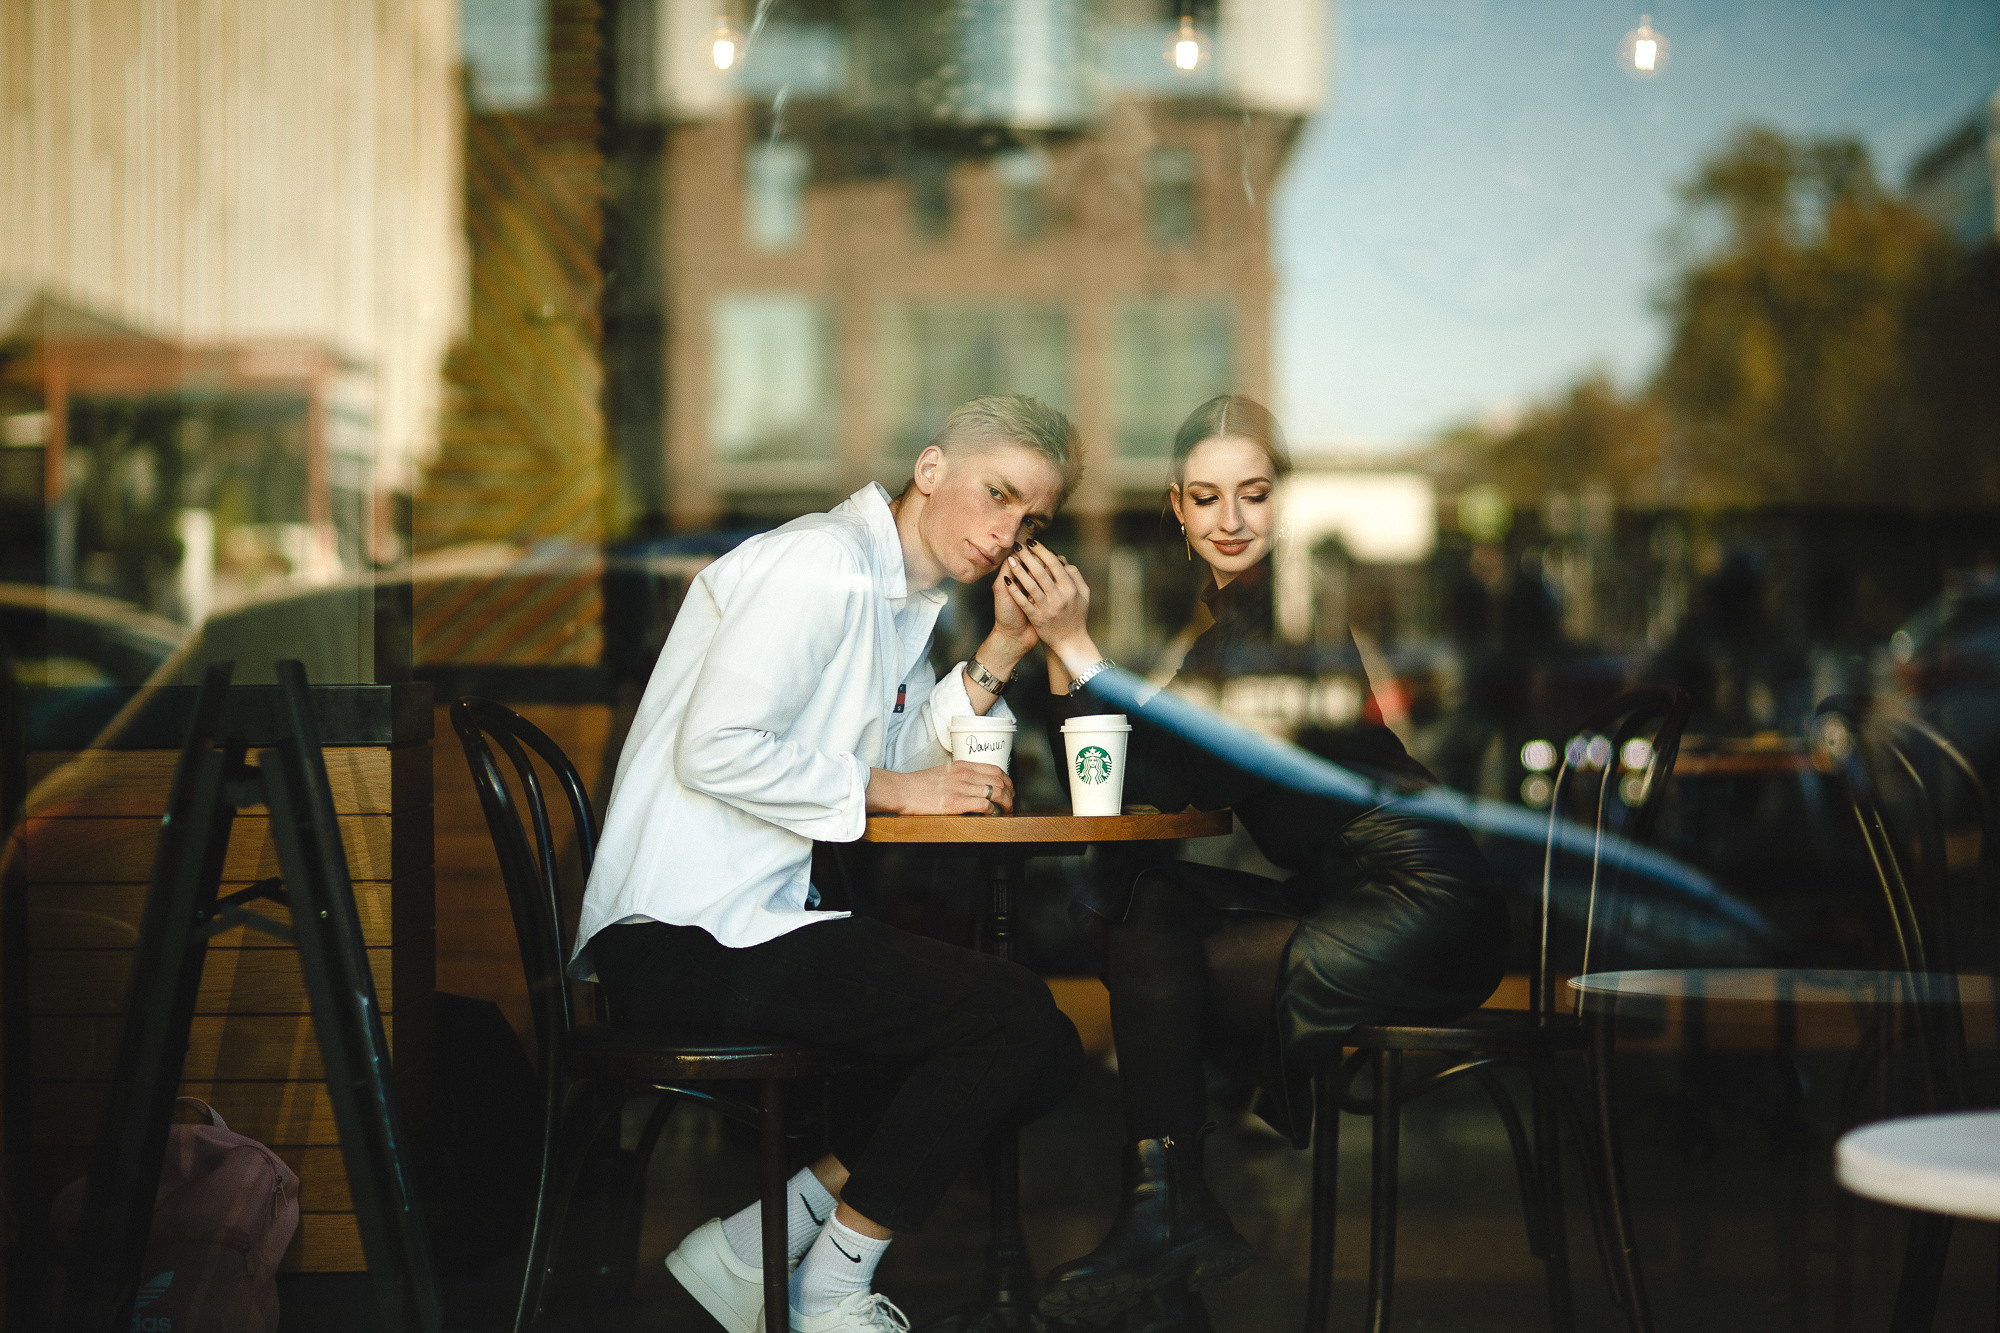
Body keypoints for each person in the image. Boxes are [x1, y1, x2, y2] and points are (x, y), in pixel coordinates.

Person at [573, 395, 1088, 1333]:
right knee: (1006, 1016)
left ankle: (750, 1247)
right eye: (998, 494)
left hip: (757, 924)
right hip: (684, 934)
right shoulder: (821, 562)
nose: (1010, 533)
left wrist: (1006, 647)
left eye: (1034, 520)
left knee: (1044, 1048)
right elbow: (718, 747)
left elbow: (902, 757)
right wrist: (901, 792)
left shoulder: (891, 602)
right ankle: (830, 1288)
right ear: (930, 469)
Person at [1000, 394, 1510, 1330]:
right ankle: (1167, 1221)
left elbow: (1161, 765)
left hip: (1424, 901)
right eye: (1207, 497)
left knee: (1160, 957)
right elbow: (1143, 770)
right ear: (1179, 510)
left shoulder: (1287, 620)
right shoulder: (1237, 626)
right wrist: (1059, 651)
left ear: (1287, 501)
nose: (1230, 519)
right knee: (1149, 910)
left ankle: (1167, 1227)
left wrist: (1072, 647)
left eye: (1255, 493)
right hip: (1358, 894)